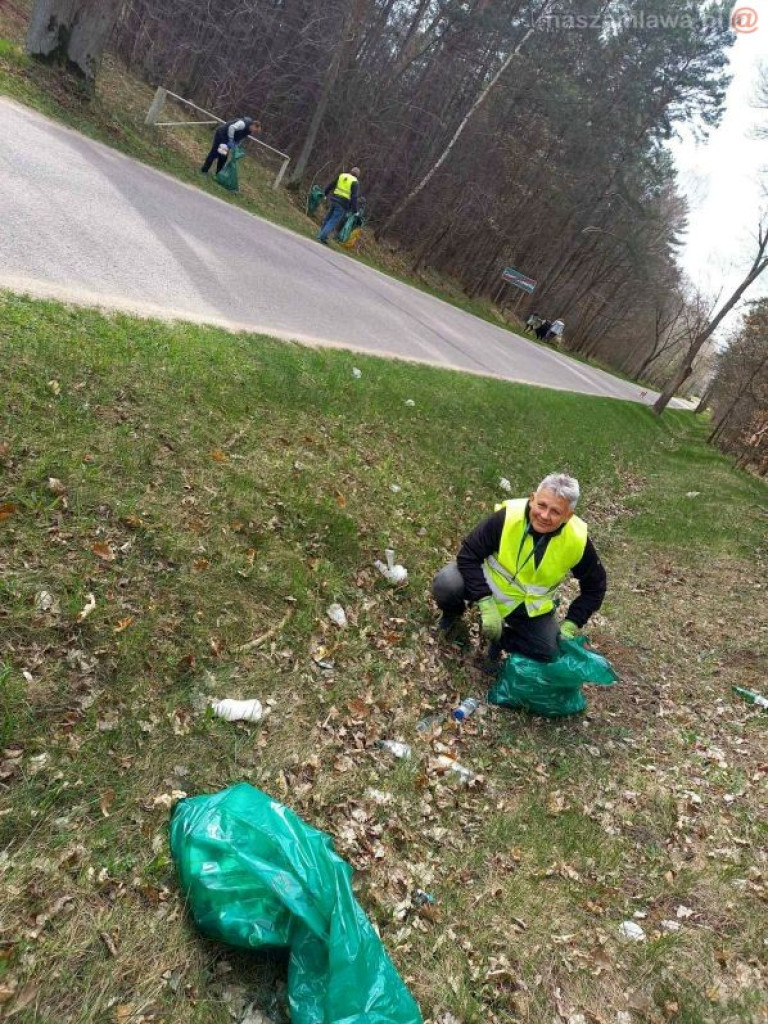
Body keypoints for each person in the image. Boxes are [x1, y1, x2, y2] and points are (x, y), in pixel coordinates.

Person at [432, 473, 606, 664]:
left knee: (550, 651)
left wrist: (572, 623)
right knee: (447, 583)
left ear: (568, 516)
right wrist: (484, 600)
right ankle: (453, 616)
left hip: (528, 607)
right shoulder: (507, 518)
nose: (544, 516)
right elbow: (468, 555)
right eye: (541, 505)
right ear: (532, 499)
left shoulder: (577, 540)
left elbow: (595, 587)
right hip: (487, 586)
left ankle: (500, 640)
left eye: (555, 512)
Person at [317, 167, 361, 244]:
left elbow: (332, 184)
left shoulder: (342, 175)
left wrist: (325, 193)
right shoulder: (355, 182)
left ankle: (320, 234)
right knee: (333, 221)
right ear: (357, 175)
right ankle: (323, 236)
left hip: (334, 199)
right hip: (342, 203)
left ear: (351, 171)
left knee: (328, 218)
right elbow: (354, 197)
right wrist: (355, 210)